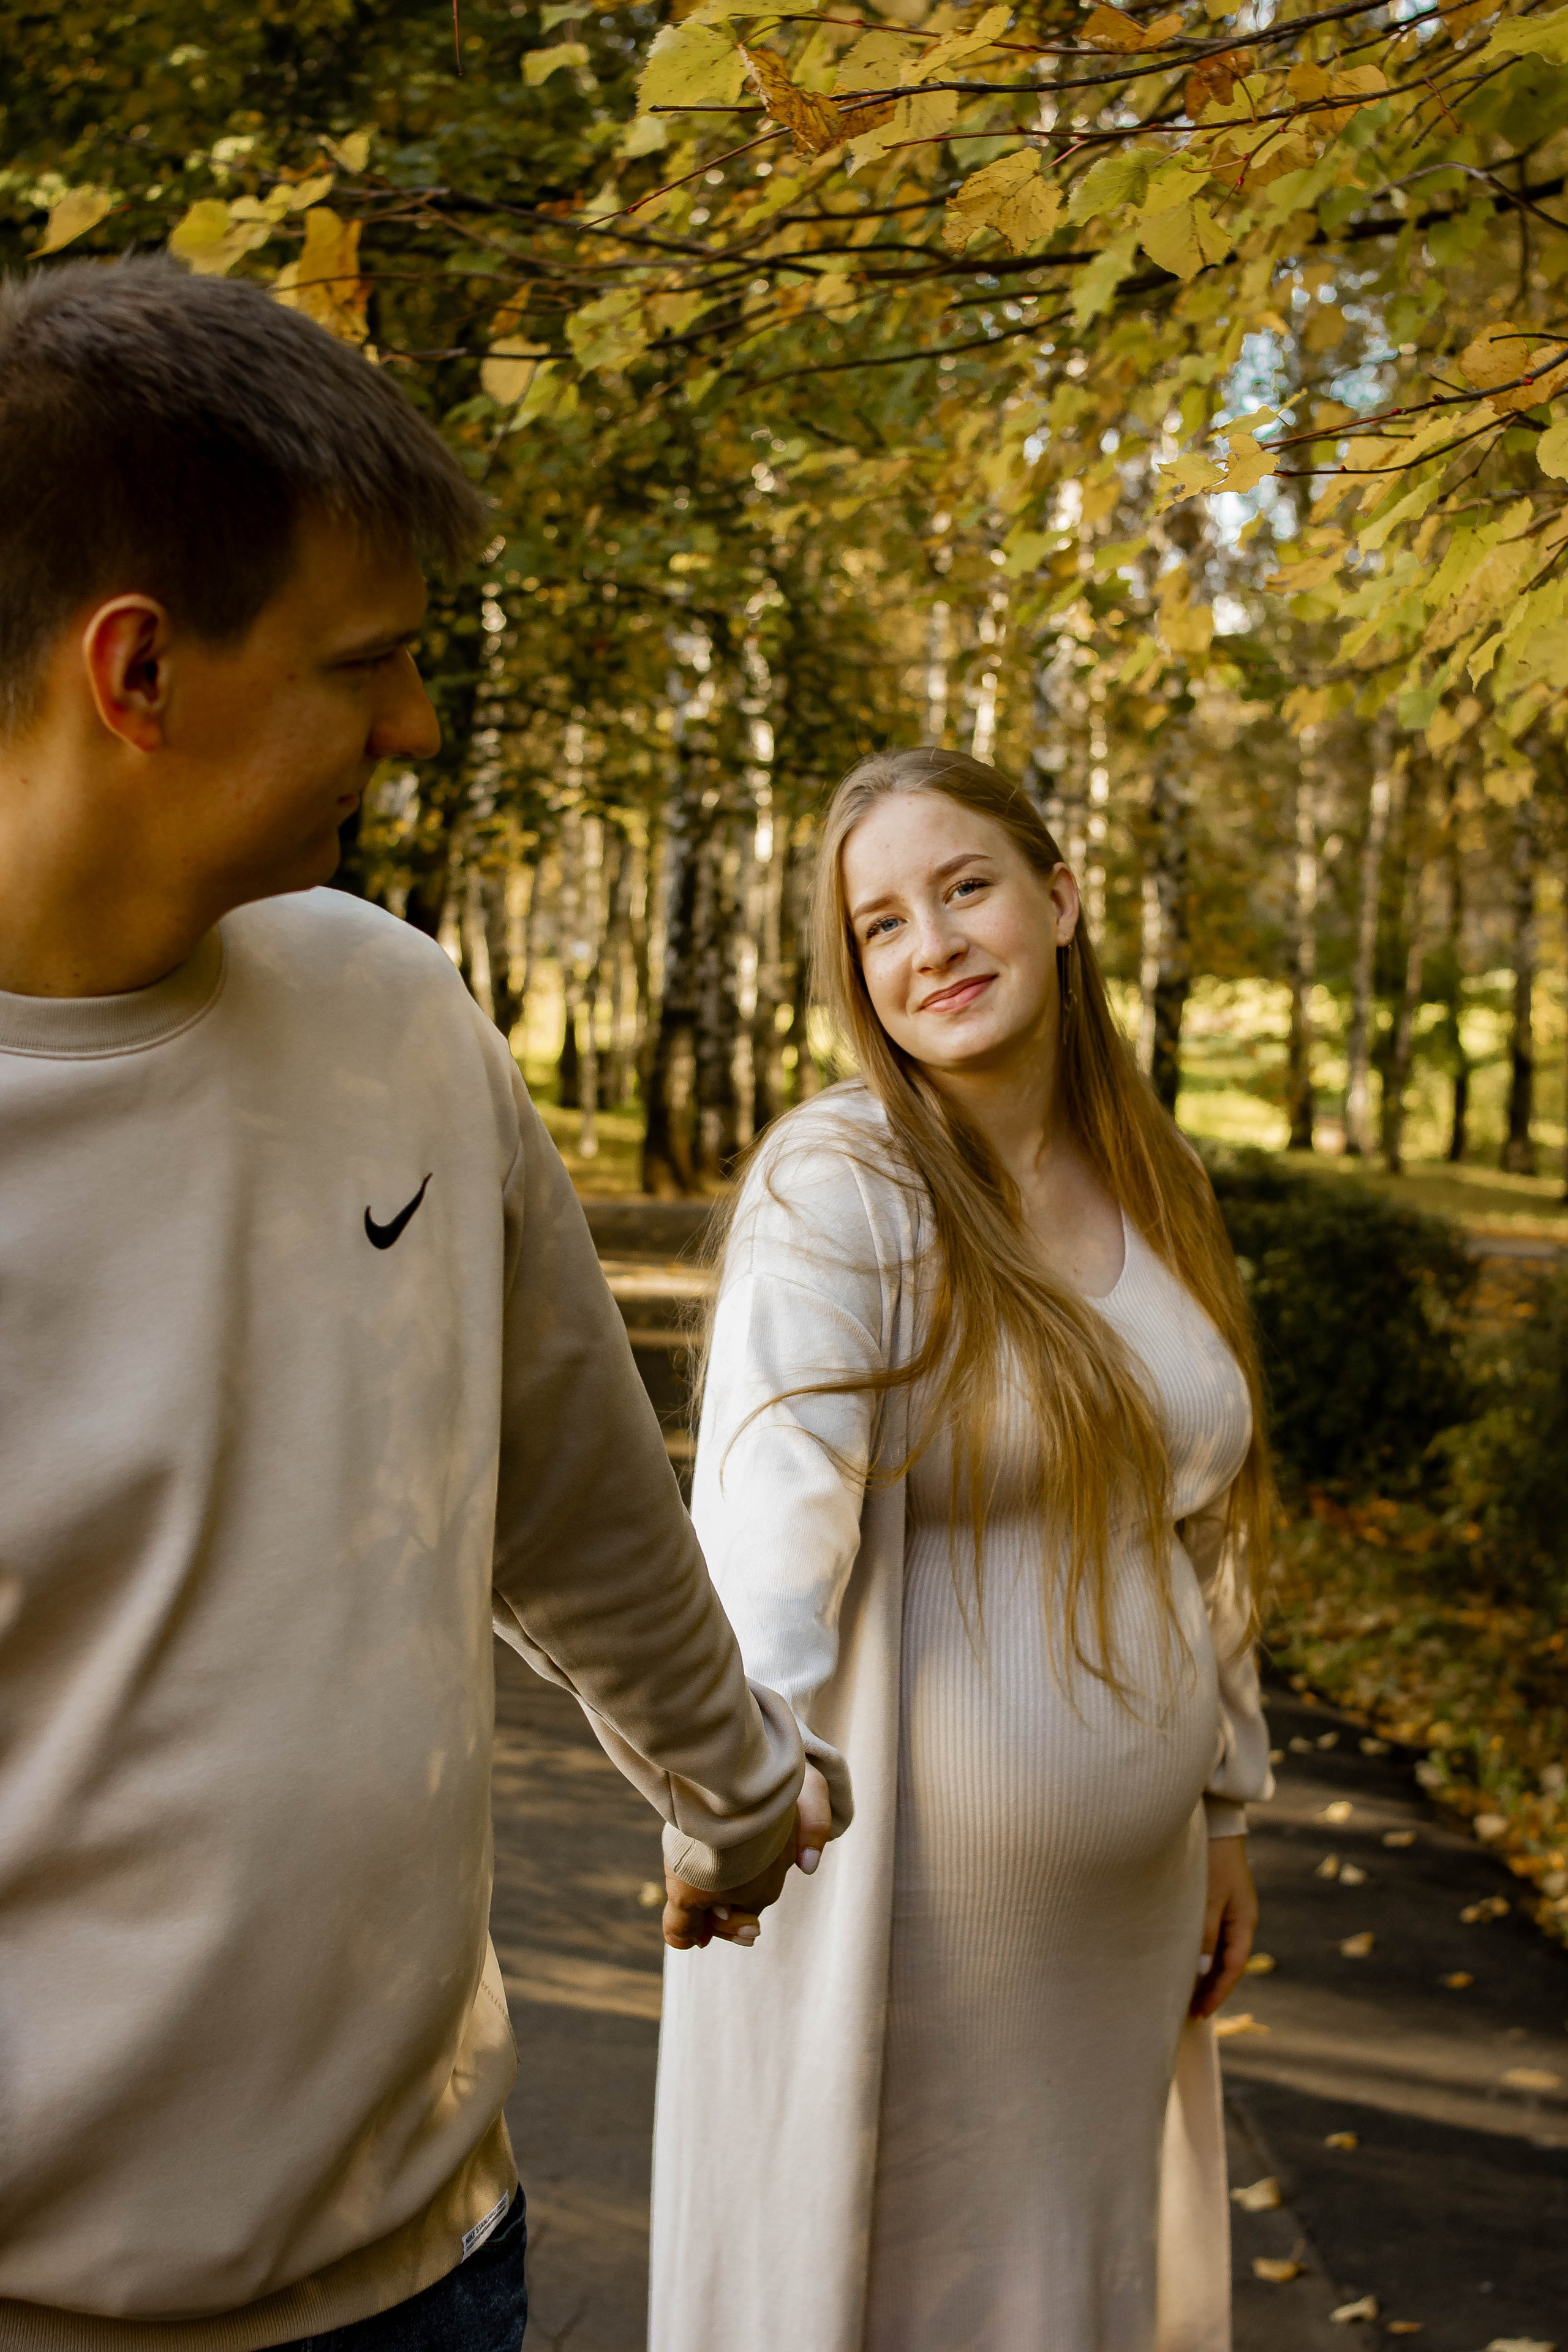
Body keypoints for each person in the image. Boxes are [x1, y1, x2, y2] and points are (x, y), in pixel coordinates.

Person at [0, 255, 811, 2350]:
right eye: (367, 665)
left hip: (434, 2274)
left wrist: (731, 1790)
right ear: (140, 673)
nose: (416, 726)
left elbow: (566, 1482)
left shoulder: (393, 1006)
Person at [651, 747, 1275, 2352]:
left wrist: (1223, 1808)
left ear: (1060, 901)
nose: (929, 941)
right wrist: (735, 1778)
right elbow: (770, 1507)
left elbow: (1201, 1525)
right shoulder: (842, 1182)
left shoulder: (1163, 1183)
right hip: (897, 1930)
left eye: (967, 886)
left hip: (1119, 1929)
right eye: (880, 923)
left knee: (1072, 2299)